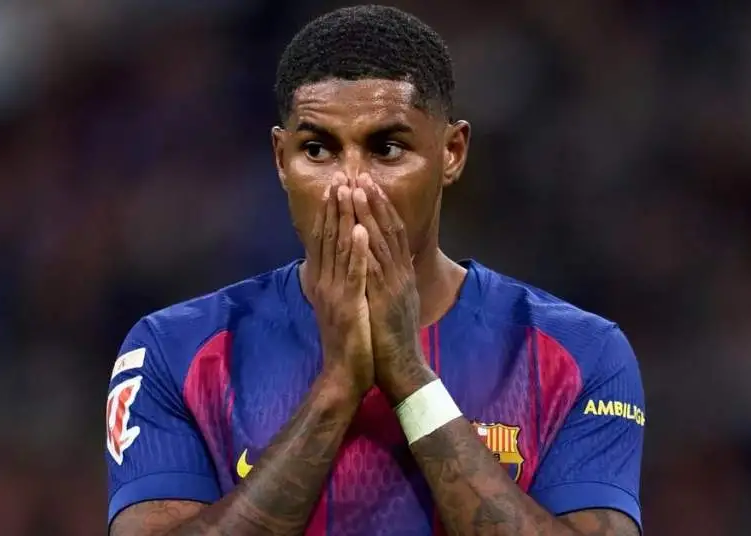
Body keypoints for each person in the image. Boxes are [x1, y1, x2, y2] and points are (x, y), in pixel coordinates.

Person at [105, 5, 644, 536]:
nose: (351, 184)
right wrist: (337, 388)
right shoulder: (174, 351)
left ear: (452, 153)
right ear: (280, 159)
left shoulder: (579, 355)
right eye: (317, 149)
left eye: (387, 148)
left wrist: (409, 376)